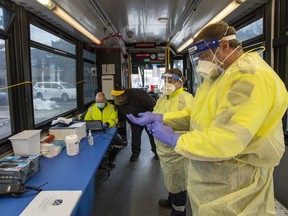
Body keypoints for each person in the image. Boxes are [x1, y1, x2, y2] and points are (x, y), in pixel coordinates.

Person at [127, 21, 288, 215]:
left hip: (237, 185)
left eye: (204, 56)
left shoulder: (249, 77)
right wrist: (160, 117)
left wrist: (174, 138)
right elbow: (196, 115)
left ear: (224, 46)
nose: (202, 63)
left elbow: (228, 137)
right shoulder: (216, 78)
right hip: (212, 179)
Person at [153, 68, 193, 216]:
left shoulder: (186, 98)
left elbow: (186, 119)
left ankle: (179, 211)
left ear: (180, 81)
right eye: (165, 80)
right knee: (170, 179)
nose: (167, 83)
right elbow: (156, 113)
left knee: (179, 181)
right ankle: (171, 200)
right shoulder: (163, 98)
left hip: (177, 152)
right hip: (164, 151)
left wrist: (161, 119)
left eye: (171, 80)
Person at [111, 86, 157, 162]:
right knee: (135, 137)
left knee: (152, 135)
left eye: (120, 98)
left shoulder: (139, 94)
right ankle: (135, 154)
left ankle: (156, 152)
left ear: (125, 95)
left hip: (146, 118)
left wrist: (151, 117)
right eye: (117, 98)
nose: (119, 100)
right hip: (134, 120)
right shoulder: (118, 101)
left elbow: (153, 105)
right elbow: (121, 112)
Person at [84, 92, 123, 168]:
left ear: (105, 99)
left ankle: (111, 159)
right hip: (95, 132)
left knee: (119, 143)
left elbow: (114, 119)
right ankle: (99, 161)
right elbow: (86, 120)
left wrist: (107, 124)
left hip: (109, 130)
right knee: (94, 145)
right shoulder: (91, 108)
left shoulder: (112, 108)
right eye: (97, 102)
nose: (99, 103)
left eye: (101, 102)